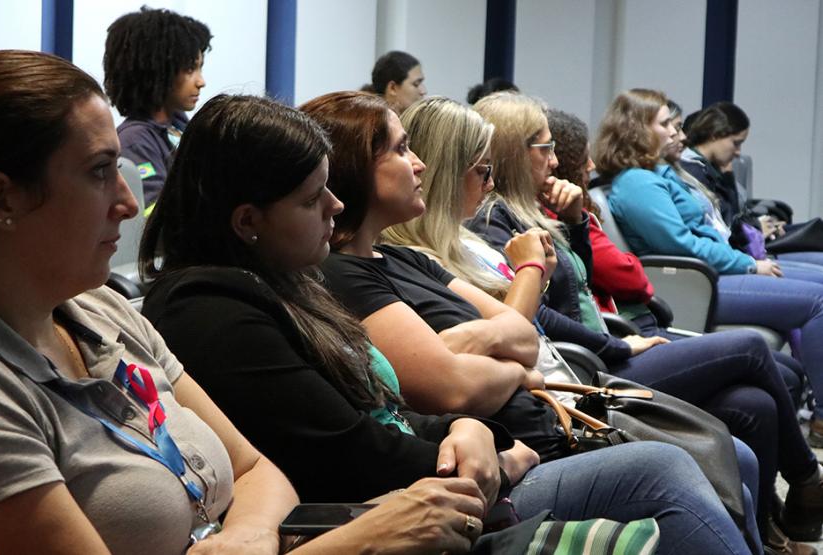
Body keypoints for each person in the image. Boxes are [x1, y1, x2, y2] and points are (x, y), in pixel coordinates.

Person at [0, 50, 502, 555]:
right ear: (0, 199)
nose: (125, 200)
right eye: (98, 172)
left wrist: (245, 538)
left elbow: (258, 471)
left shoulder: (100, 311)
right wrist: (354, 541)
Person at [136, 92, 686, 554]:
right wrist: (492, 447)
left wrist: (474, 429)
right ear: (248, 222)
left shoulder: (294, 282)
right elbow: (354, 448)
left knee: (690, 446)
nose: (334, 205)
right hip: (404, 503)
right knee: (662, 470)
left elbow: (409, 402)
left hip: (465, 463)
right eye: (312, 198)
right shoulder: (215, 310)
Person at [303, 90, 758, 554]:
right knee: (694, 440)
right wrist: (522, 328)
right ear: (358, 168)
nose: (417, 164)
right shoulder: (350, 270)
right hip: (525, 447)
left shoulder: (403, 258)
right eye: (401, 150)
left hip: (555, 413)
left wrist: (476, 346)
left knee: (734, 452)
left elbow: (524, 334)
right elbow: (456, 386)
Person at [597, 88, 823, 543]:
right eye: (668, 124)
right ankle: (812, 460)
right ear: (637, 129)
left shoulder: (661, 171)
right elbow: (679, 245)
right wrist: (748, 262)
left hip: (708, 273)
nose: (679, 132)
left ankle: (780, 508)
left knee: (777, 374)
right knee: (817, 302)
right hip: (692, 285)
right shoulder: (638, 182)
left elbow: (710, 227)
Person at [679, 102, 823, 268]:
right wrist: (755, 229)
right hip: (724, 263)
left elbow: (732, 217)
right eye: (736, 143)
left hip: (735, 257)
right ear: (714, 135)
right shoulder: (692, 172)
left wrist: (727, 176)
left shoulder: (707, 169)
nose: (738, 152)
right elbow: (724, 228)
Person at [103, 6, 212, 208]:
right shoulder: (135, 141)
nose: (201, 81)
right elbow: (154, 216)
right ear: (157, 70)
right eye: (190, 69)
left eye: (200, 68)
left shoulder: (182, 128)